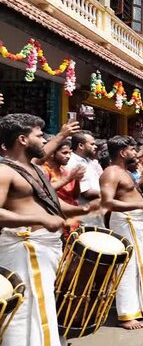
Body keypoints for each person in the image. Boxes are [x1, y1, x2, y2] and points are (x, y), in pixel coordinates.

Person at [0, 114, 96, 346]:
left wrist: (82, 210)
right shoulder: (4, 171)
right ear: (23, 139)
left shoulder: (32, 168)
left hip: (41, 245)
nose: (45, 141)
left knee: (41, 301)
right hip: (25, 245)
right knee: (26, 307)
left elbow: (50, 202)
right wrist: (41, 220)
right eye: (40, 136)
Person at [100, 135, 143, 330]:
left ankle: (137, 308)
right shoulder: (111, 172)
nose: (136, 152)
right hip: (126, 221)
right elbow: (107, 202)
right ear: (123, 152)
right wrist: (141, 204)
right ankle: (125, 315)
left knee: (137, 264)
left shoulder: (123, 171)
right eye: (132, 150)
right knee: (127, 266)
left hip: (134, 220)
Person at [67, 131, 102, 227]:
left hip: (95, 213)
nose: (95, 147)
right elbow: (85, 192)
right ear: (81, 146)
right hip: (85, 215)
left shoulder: (88, 161)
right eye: (92, 144)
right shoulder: (74, 163)